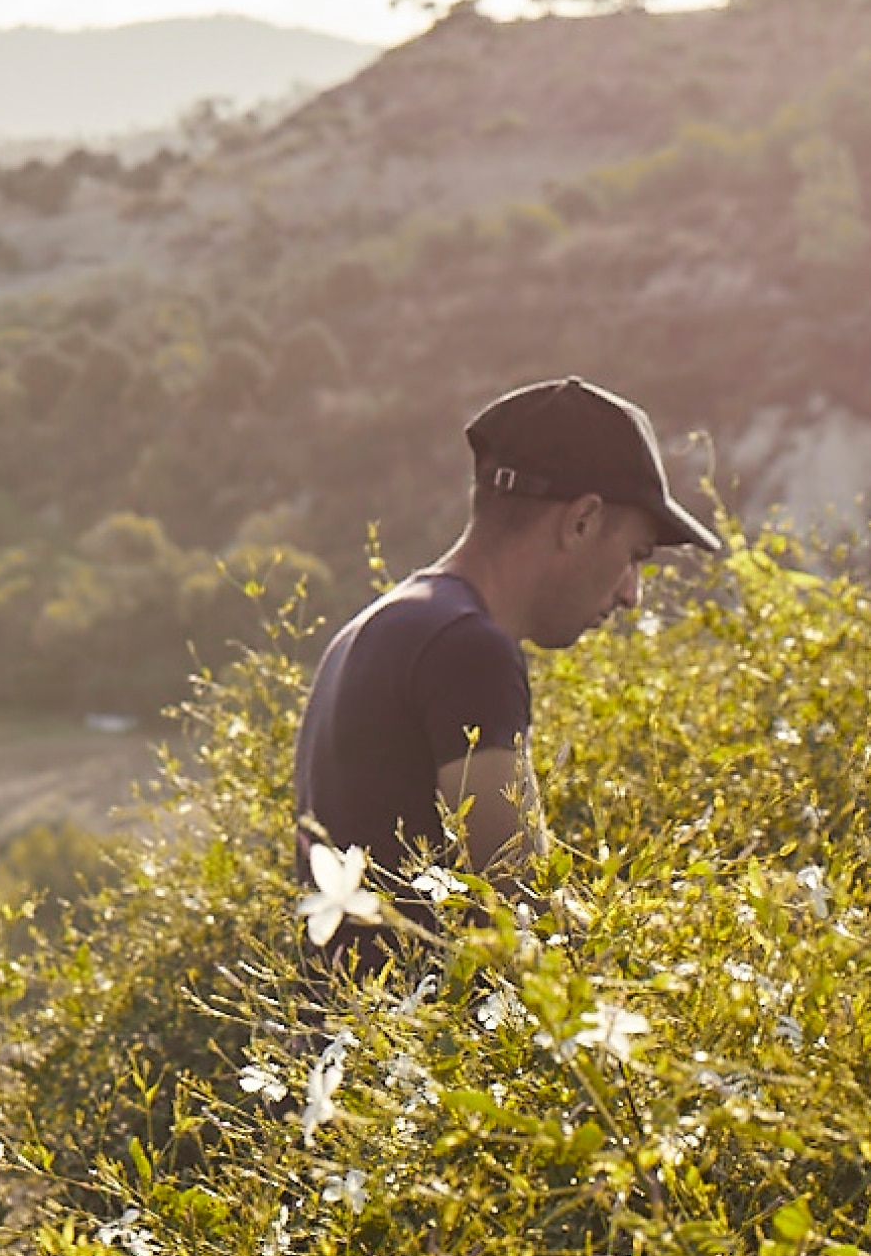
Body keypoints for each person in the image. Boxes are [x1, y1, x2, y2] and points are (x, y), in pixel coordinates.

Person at [293, 377, 718, 962]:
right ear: (582, 522)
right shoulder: (467, 650)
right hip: (413, 1042)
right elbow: (521, 896)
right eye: (635, 557)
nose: (632, 595)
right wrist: (670, 959)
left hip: (342, 1046)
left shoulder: (374, 628)